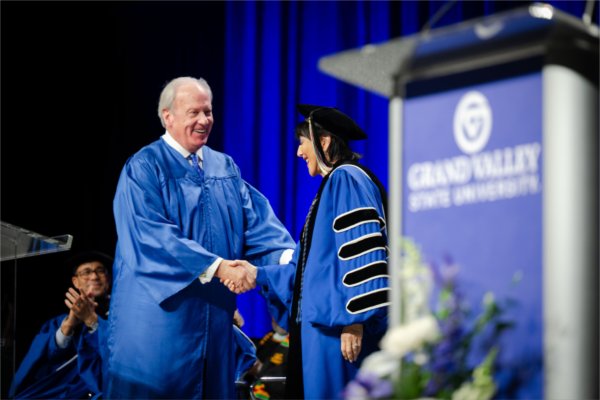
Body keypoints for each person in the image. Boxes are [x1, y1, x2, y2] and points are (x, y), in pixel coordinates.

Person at [107, 76, 295, 398]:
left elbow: (258, 226)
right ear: (168, 116)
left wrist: (293, 260)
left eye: (208, 112)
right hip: (161, 330)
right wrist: (219, 267)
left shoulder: (224, 167)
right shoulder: (144, 168)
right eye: (194, 112)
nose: (204, 120)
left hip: (214, 328)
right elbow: (150, 236)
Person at [227, 104, 390, 399]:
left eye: (302, 143)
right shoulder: (329, 190)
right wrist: (257, 274)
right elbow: (304, 275)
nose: (299, 153)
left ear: (323, 141)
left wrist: (355, 321)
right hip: (319, 335)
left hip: (339, 336)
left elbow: (364, 253)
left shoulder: (347, 179)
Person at [9, 250, 113, 399]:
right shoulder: (58, 322)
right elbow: (40, 358)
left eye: (100, 271)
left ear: (108, 279)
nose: (94, 276)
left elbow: (118, 358)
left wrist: (91, 320)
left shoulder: (120, 320)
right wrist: (69, 325)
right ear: (75, 281)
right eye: (86, 272)